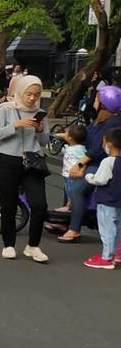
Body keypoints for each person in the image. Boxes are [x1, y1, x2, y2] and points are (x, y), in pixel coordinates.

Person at [0, 74, 50, 262]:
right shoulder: (5, 108)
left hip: (33, 162)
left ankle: (33, 246)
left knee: (39, 205)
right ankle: (9, 244)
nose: (32, 98)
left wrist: (39, 130)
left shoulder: (40, 113)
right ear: (21, 91)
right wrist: (15, 125)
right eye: (29, 94)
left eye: (36, 95)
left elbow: (45, 140)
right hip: (9, 160)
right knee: (8, 205)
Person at [62, 85, 121, 243]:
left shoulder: (112, 123)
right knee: (68, 181)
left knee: (76, 190)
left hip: (104, 165)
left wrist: (81, 165)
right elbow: (86, 136)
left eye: (96, 99)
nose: (93, 101)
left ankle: (74, 229)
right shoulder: (100, 119)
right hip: (92, 160)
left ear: (104, 104)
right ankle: (62, 221)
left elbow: (98, 149)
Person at [83, 127, 121, 269]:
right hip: (119, 201)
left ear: (109, 144)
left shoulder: (108, 162)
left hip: (107, 201)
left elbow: (100, 180)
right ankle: (117, 254)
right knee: (118, 229)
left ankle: (107, 258)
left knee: (107, 230)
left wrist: (89, 177)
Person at [55, 123, 87, 213]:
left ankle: (69, 207)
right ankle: (69, 206)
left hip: (73, 175)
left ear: (70, 138)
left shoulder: (80, 149)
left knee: (72, 192)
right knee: (69, 191)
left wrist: (80, 170)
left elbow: (83, 161)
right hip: (66, 174)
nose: (64, 134)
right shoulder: (71, 146)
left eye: (66, 133)